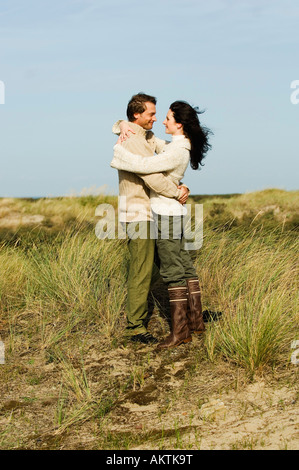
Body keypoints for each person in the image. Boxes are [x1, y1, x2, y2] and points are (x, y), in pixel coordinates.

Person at [111, 100, 212, 349]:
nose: (158, 119)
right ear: (137, 115)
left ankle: (183, 326)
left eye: (163, 116)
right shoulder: (135, 138)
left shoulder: (165, 144)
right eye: (153, 114)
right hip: (141, 212)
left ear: (179, 124)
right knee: (157, 266)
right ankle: (181, 321)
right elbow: (153, 172)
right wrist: (121, 126)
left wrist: (118, 154)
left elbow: (151, 172)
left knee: (170, 267)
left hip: (160, 212)